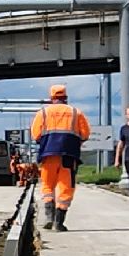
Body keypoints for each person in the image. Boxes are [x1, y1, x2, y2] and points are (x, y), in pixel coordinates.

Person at [28, 83, 92, 231]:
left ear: (51, 98)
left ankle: (49, 217)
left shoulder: (42, 113)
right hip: (68, 155)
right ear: (66, 97)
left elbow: (36, 135)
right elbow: (85, 134)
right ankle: (59, 222)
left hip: (47, 155)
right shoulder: (76, 113)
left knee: (47, 186)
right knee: (65, 187)